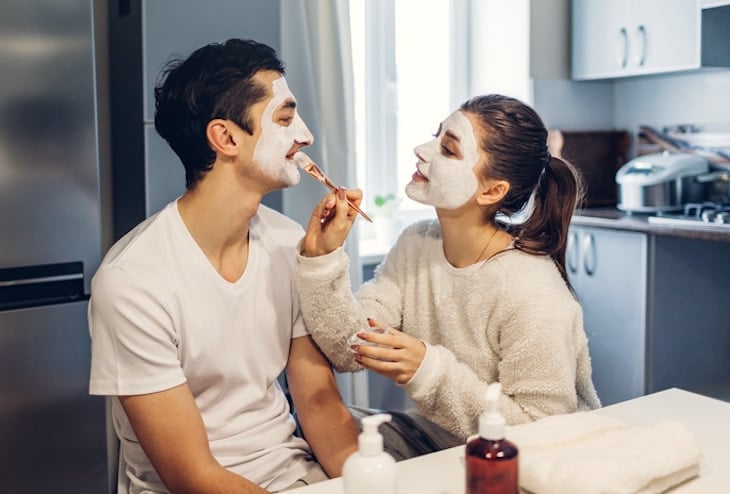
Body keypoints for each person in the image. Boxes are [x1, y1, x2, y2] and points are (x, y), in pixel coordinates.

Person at [88, 39, 359, 494]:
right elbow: (193, 475)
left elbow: (320, 406)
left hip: (293, 475)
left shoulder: (289, 243)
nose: (306, 137)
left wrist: (372, 482)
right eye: (286, 118)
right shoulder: (131, 282)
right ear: (226, 138)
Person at [296, 94, 601, 460]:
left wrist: (429, 372)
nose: (421, 151)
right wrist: (323, 257)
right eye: (434, 136)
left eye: (449, 149)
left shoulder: (531, 290)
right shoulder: (417, 244)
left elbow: (542, 430)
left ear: (492, 191)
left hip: (529, 462)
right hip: (438, 442)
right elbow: (351, 347)